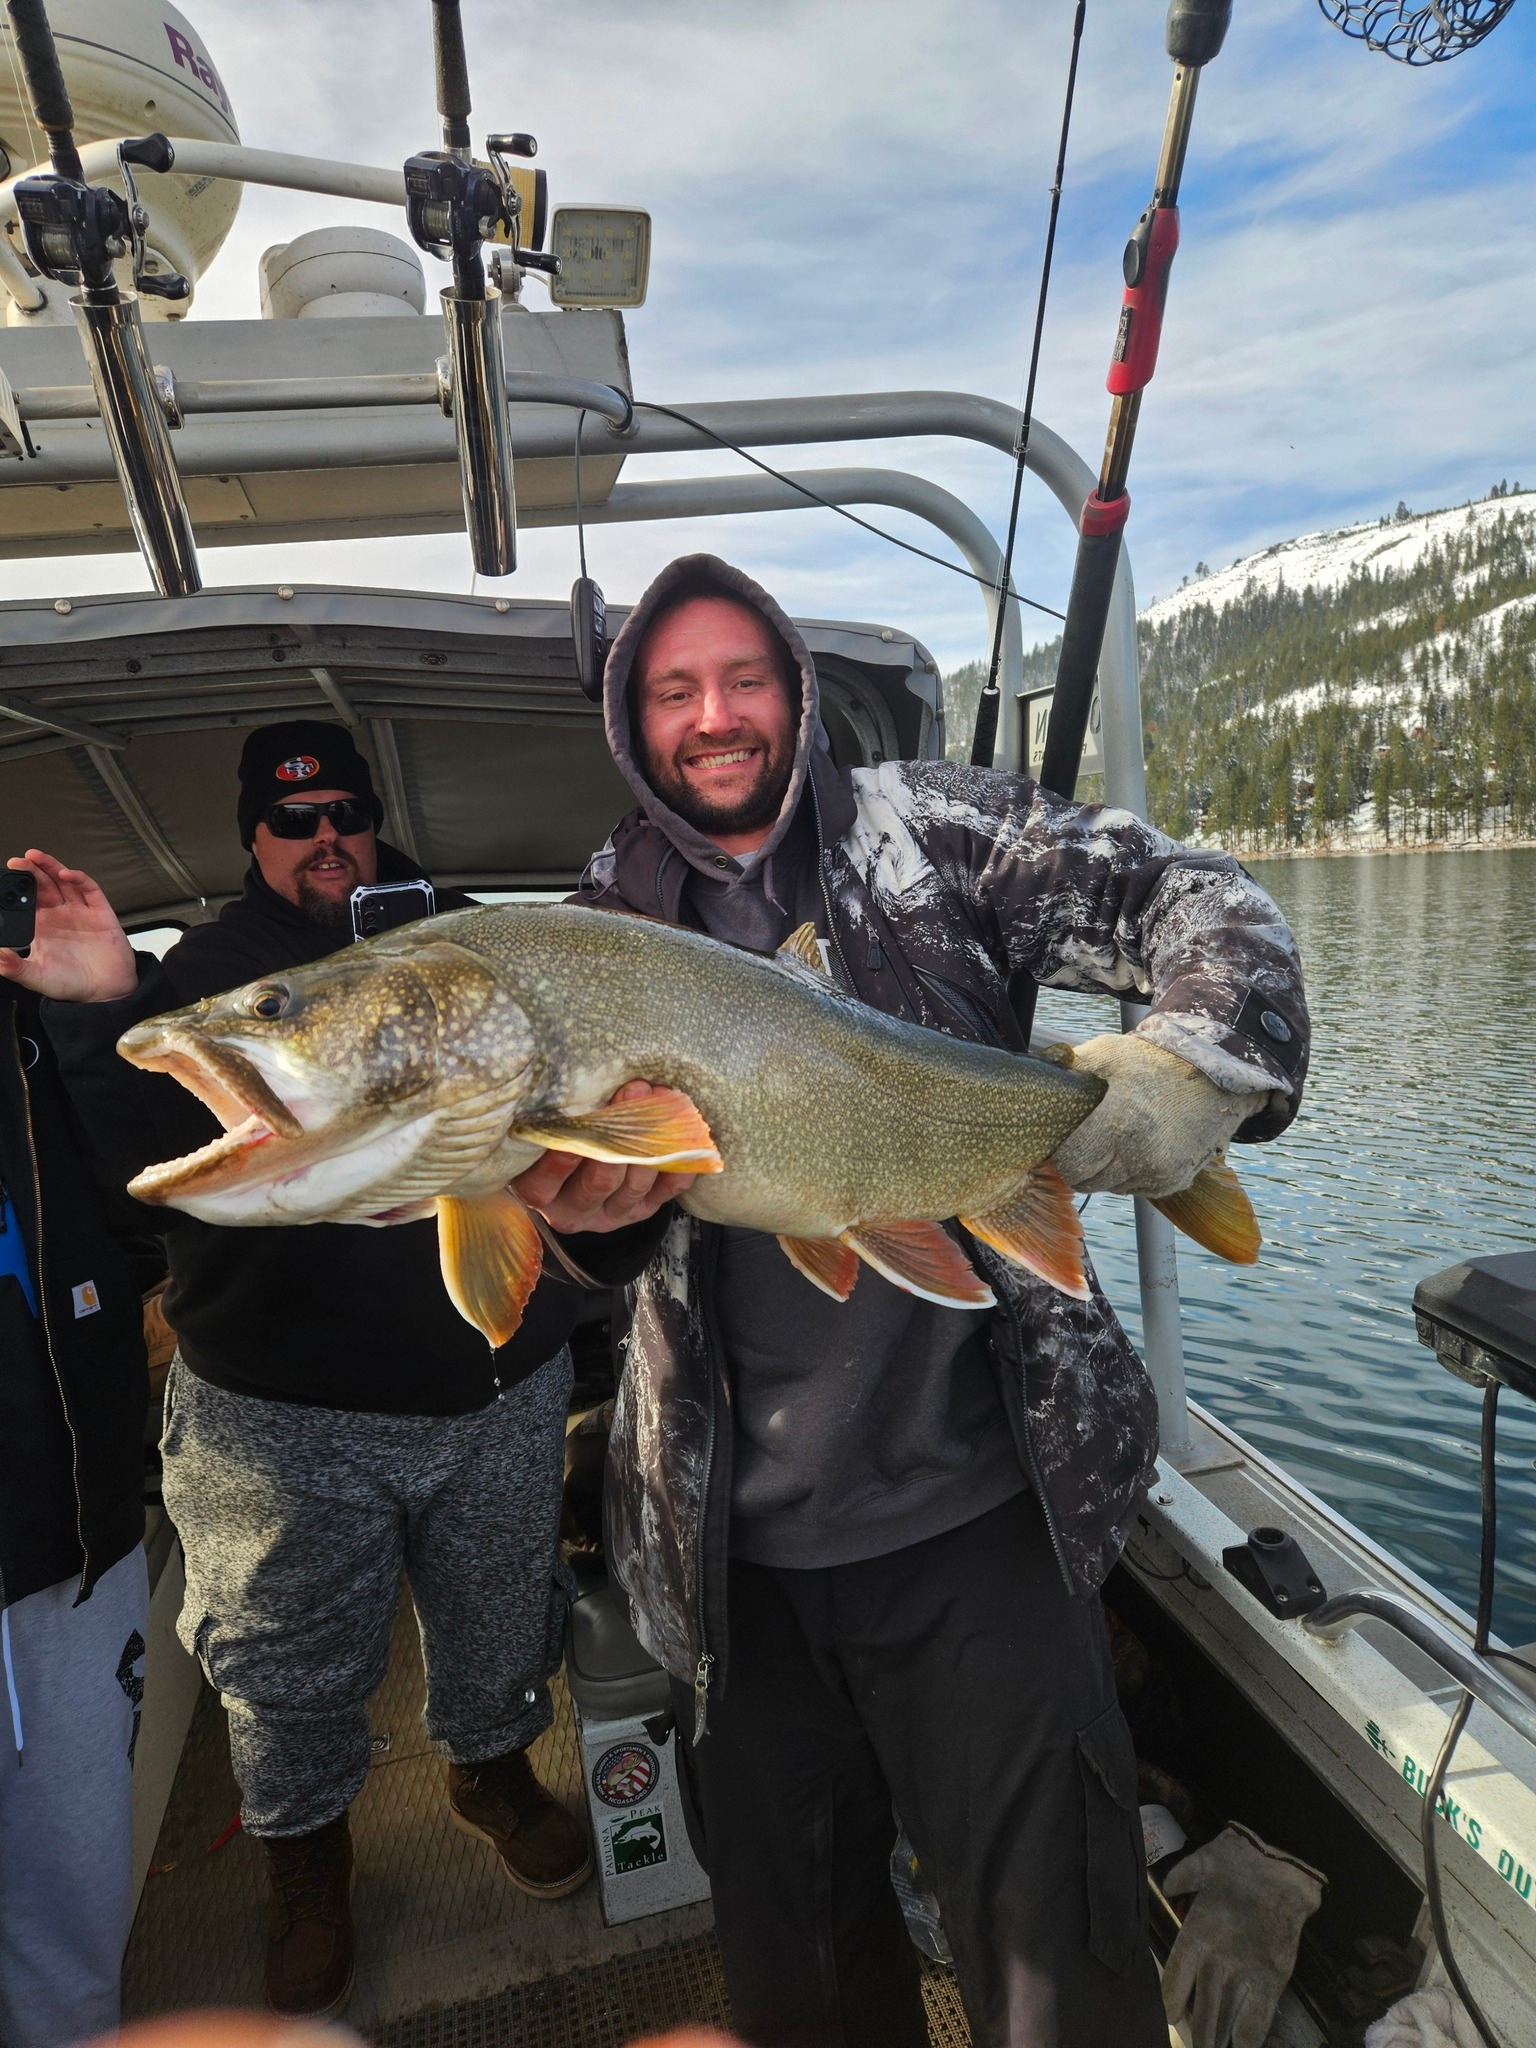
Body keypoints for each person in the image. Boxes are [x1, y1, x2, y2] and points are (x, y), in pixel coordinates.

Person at [576, 556, 1311, 2048]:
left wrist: (1184, 1064)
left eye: (744, 679)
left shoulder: (935, 826)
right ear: (632, 722)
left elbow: (1206, 898)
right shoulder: (597, 923)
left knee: (1063, 1983)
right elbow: (570, 1268)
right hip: (730, 1575)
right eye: (674, 690)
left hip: (986, 1525)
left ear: (793, 692)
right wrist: (579, 1232)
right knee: (805, 1991)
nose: (714, 716)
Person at [1, 720, 687, 2023]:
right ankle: (305, 1860)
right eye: (294, 819)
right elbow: (135, 1169)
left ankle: (490, 1771)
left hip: (493, 1389)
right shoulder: (214, 978)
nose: (327, 840)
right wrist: (99, 1006)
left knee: (502, 1621)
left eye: (346, 815)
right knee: (285, 1665)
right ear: (253, 836)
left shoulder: (476, 940)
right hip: (277, 1411)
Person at [0, 975, 154, 2048]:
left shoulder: (41, 1030)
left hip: (72, 1545)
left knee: (72, 1937)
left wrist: (95, 1005)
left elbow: (156, 1204)